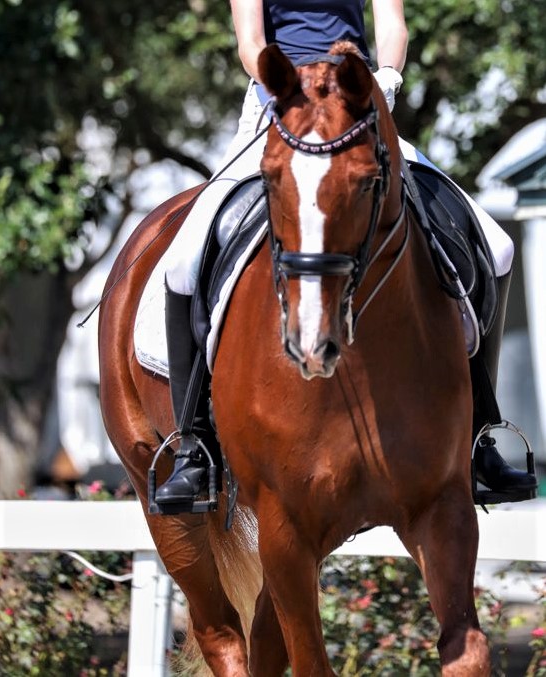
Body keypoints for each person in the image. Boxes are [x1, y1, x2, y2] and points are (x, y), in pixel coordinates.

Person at [154, 0, 537, 508]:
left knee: (498, 246)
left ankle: (478, 434)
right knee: (183, 262)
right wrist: (288, 87)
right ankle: (194, 444)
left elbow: (393, 27)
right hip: (281, 108)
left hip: (356, 112)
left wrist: (386, 76)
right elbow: (251, 44)